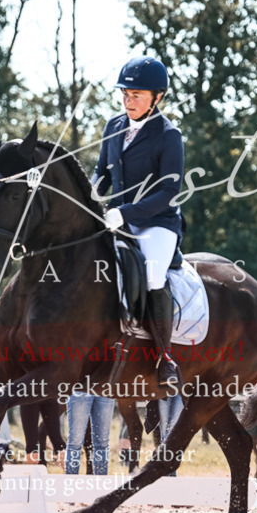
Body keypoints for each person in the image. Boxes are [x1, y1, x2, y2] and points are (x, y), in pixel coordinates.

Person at [94, 55, 184, 388]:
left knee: (152, 274)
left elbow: (168, 192)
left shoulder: (168, 135)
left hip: (157, 223)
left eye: (137, 95)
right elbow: (102, 172)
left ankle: (165, 358)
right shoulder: (113, 126)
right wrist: (91, 192)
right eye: (125, 94)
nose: (128, 101)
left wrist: (125, 213)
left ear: (157, 97)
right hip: (116, 219)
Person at [64, 393, 115, 475]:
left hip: (105, 389)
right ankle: (70, 482)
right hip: (81, 389)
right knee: (75, 442)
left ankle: (101, 483)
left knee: (103, 443)